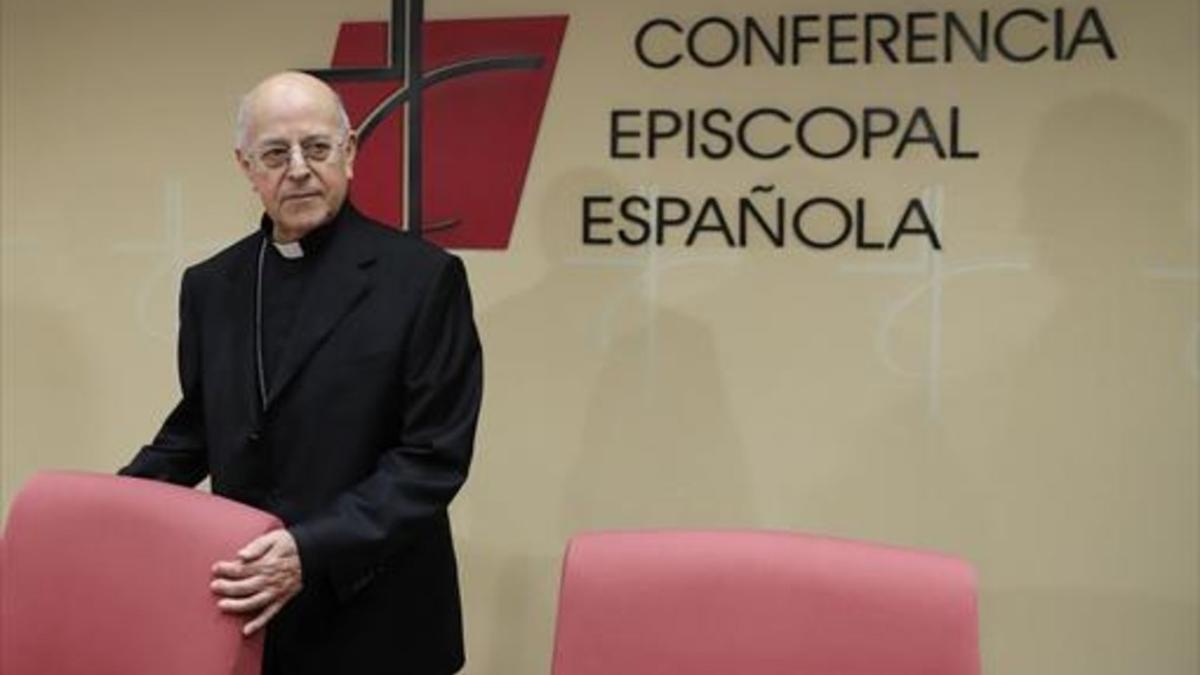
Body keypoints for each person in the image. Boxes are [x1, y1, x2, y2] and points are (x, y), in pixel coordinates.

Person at [119, 71, 483, 675]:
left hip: (379, 620)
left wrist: (309, 549)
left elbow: (431, 458)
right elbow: (196, 433)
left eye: (317, 148)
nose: (298, 169)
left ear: (351, 152)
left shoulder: (422, 279)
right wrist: (106, 509)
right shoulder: (213, 285)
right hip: (252, 614)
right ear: (246, 166)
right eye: (274, 153)